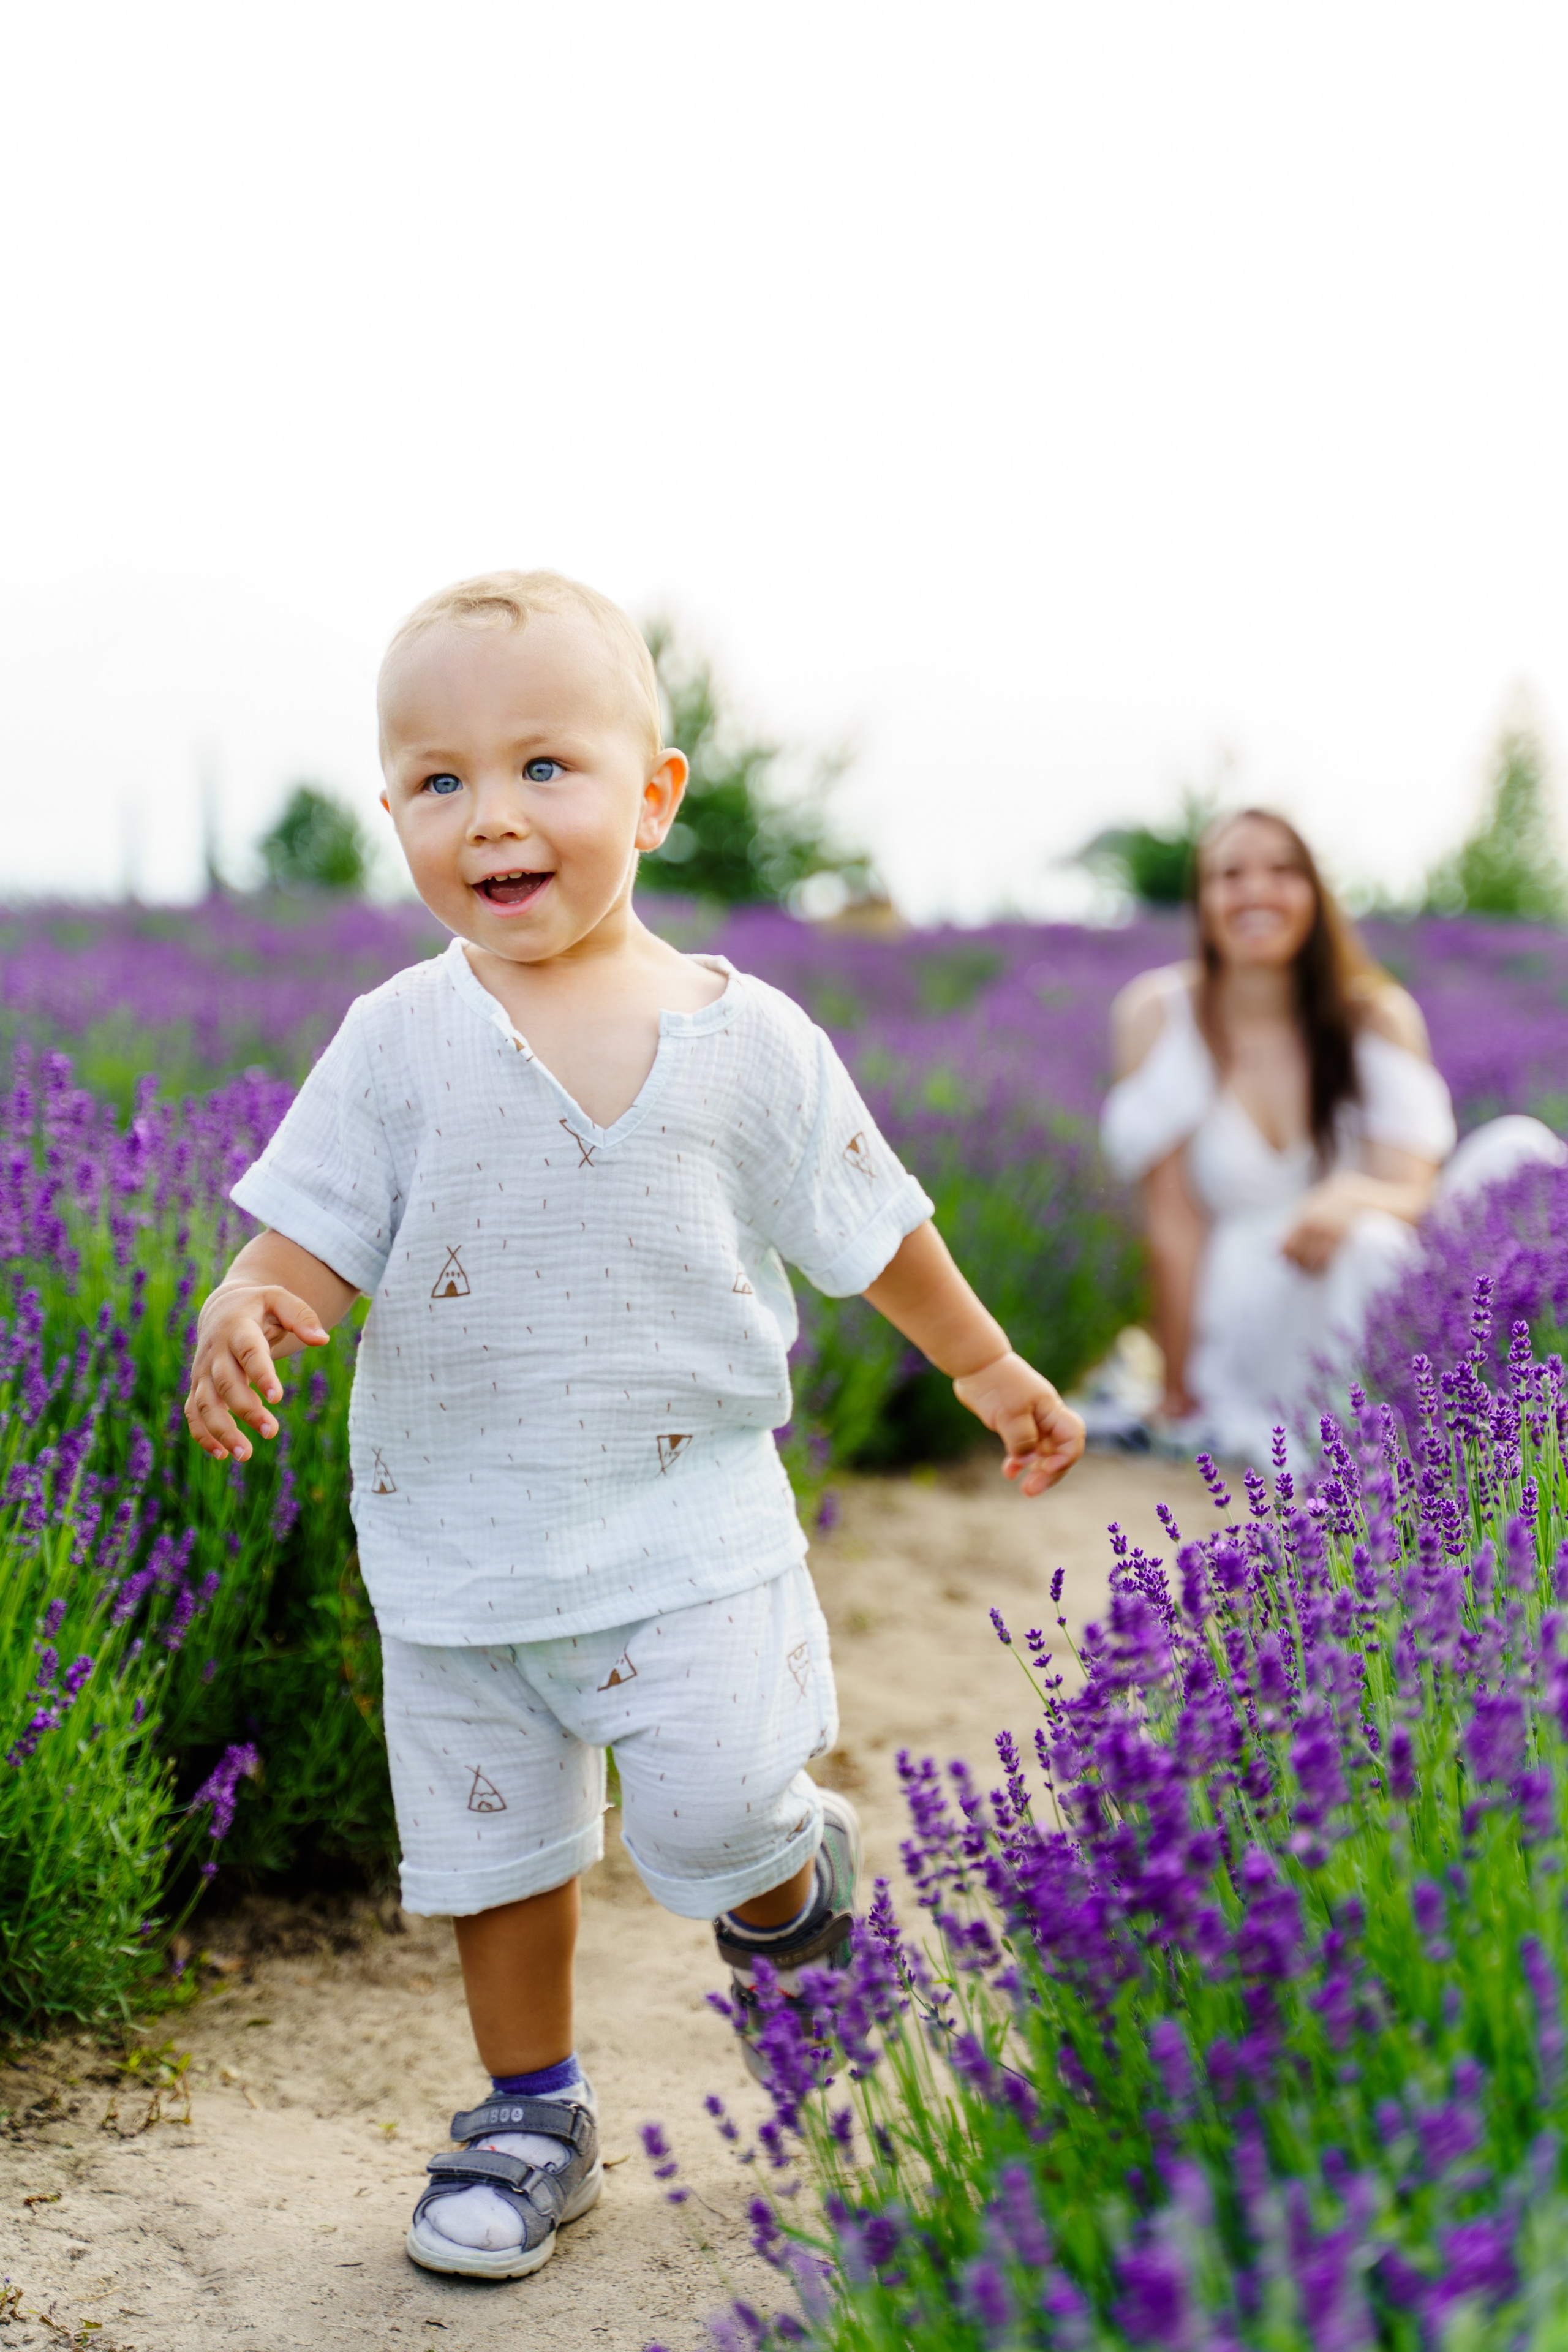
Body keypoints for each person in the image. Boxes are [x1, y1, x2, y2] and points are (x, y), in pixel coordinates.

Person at [183, 570, 1086, 2283]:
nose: (492, 815)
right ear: (394, 817)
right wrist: (248, 1304)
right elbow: (309, 1235)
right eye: (438, 782)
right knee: (496, 1848)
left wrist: (983, 1367)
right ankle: (533, 2113)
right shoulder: (397, 1041)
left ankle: (784, 1871)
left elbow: (875, 1227)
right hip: (457, 1538)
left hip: (687, 1540)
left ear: (654, 796)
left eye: (545, 767)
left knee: (713, 1817)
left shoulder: (751, 1048)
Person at [1101, 807, 1563, 1469]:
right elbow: (1172, 1220)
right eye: (1230, 875)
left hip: (1376, 1255)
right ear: (1202, 900)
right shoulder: (1158, 1013)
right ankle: (1379, 1460)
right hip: (1253, 1306)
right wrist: (1178, 1393)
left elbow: (1414, 1189)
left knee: (1521, 1151)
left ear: (1315, 894)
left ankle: (1524, 1404)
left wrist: (1351, 1198)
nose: (1256, 891)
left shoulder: (1374, 1014)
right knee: (1369, 1245)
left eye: (1282, 871)